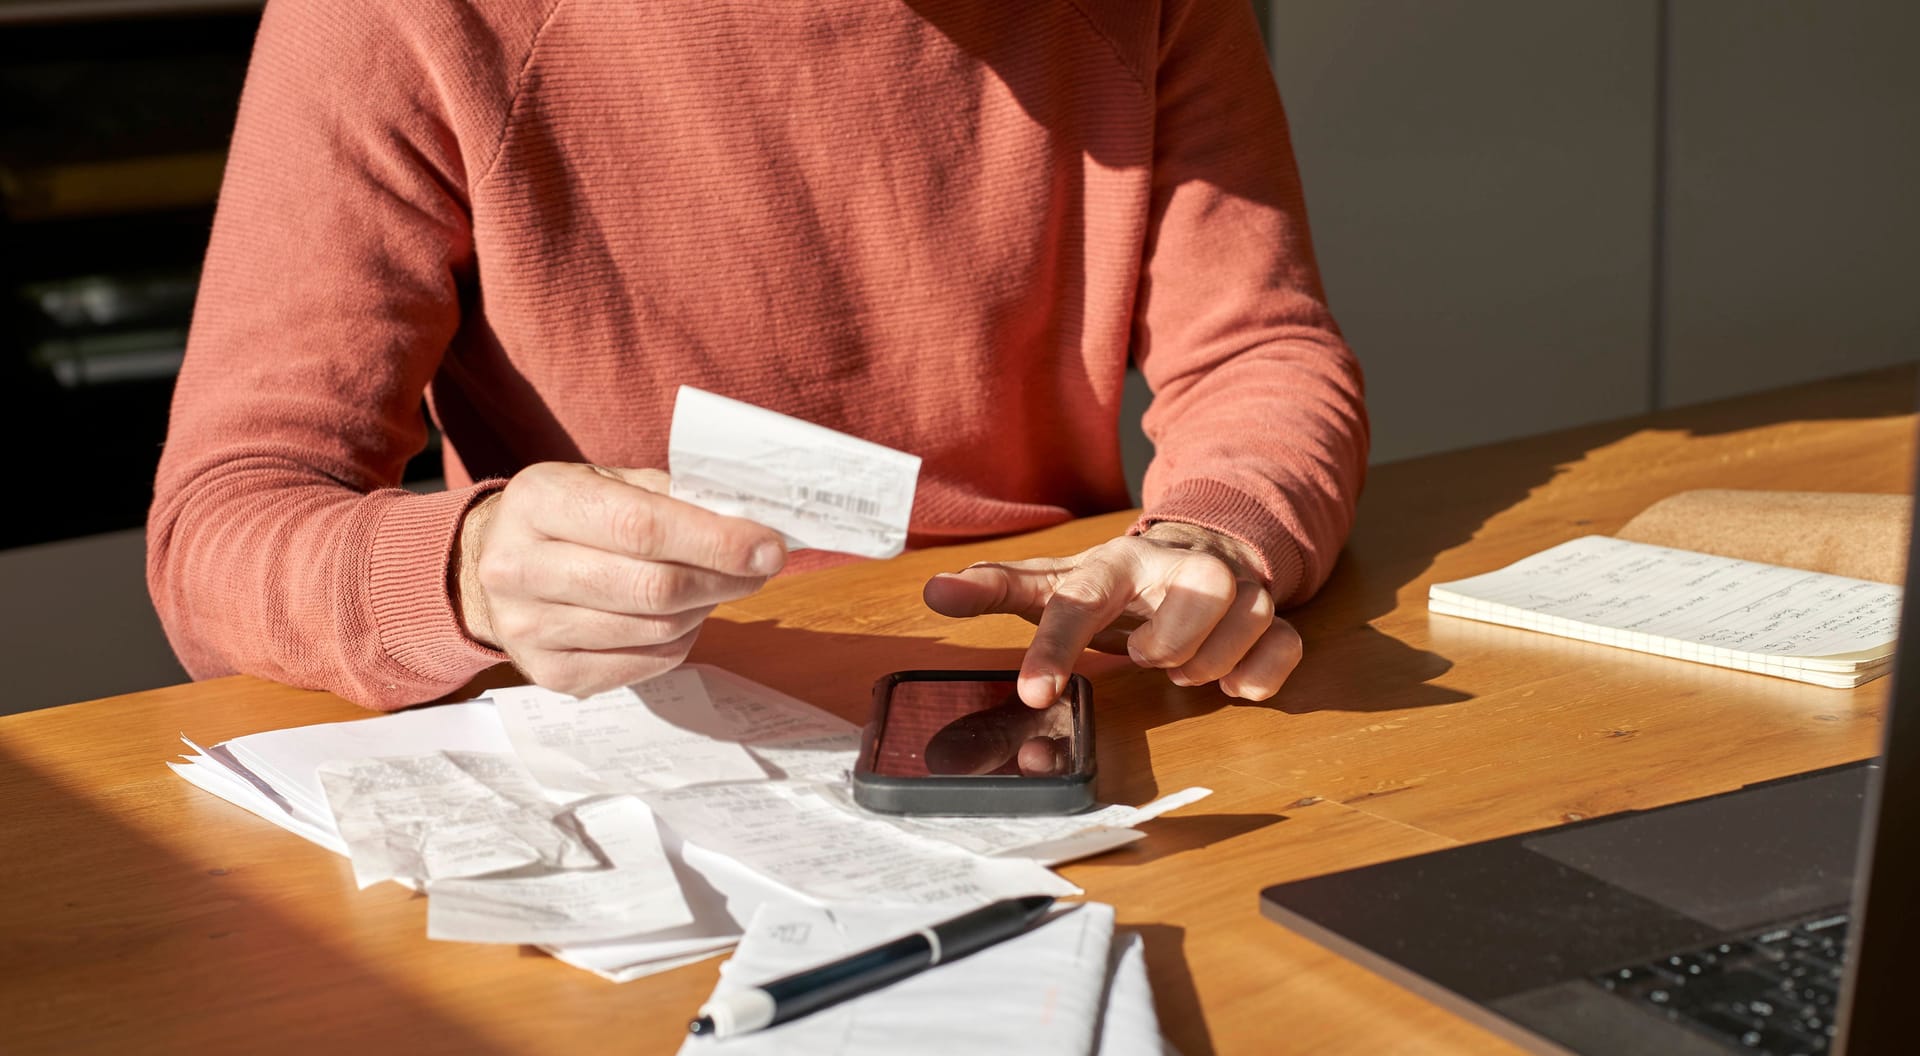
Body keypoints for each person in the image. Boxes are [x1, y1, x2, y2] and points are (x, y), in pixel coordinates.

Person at [148, 0, 1367, 714]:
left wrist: (1212, 535)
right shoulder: (399, 20)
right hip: (637, 730)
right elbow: (223, 521)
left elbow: (1257, 351)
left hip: (1071, 693)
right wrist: (468, 568)